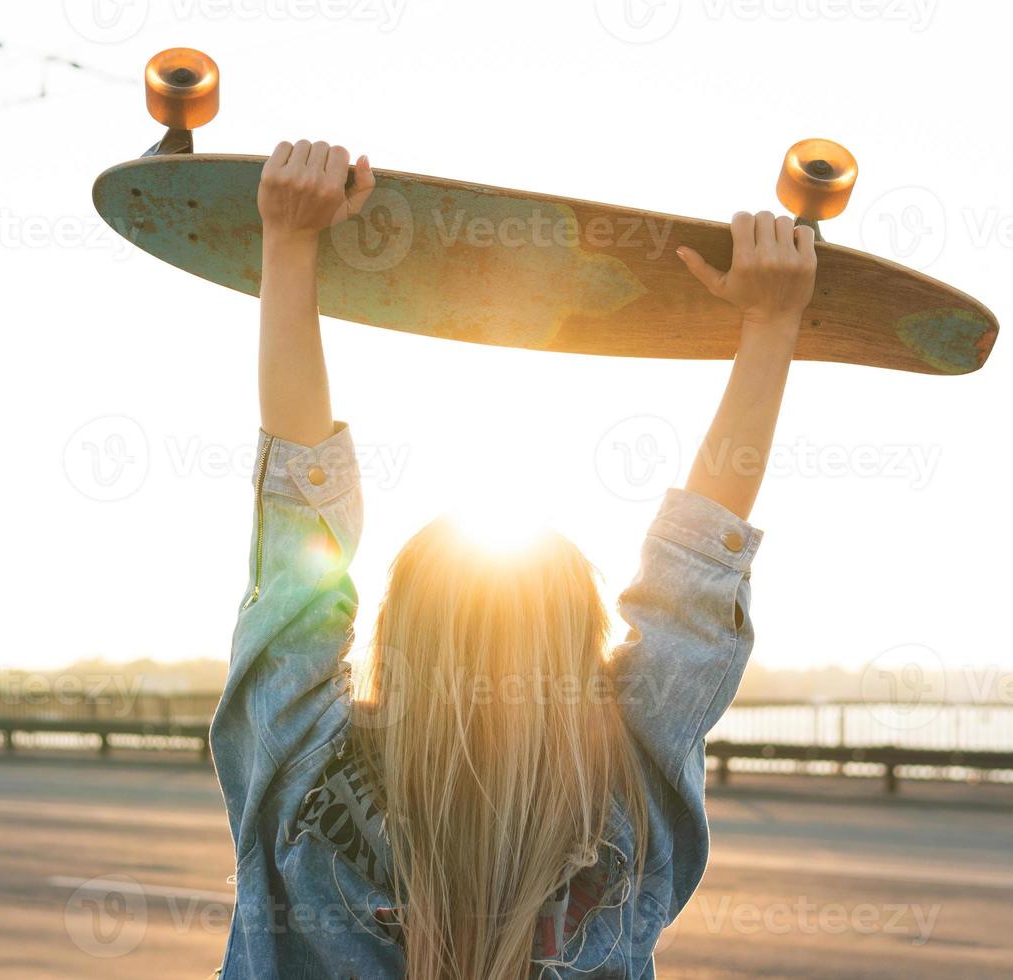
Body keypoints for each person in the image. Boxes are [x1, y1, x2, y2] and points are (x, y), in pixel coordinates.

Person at [209, 139, 817, 979]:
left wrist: (288, 242)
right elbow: (693, 573)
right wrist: (774, 322)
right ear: (579, 644)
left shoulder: (301, 751)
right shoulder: (625, 779)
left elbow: (298, 532)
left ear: (400, 631)